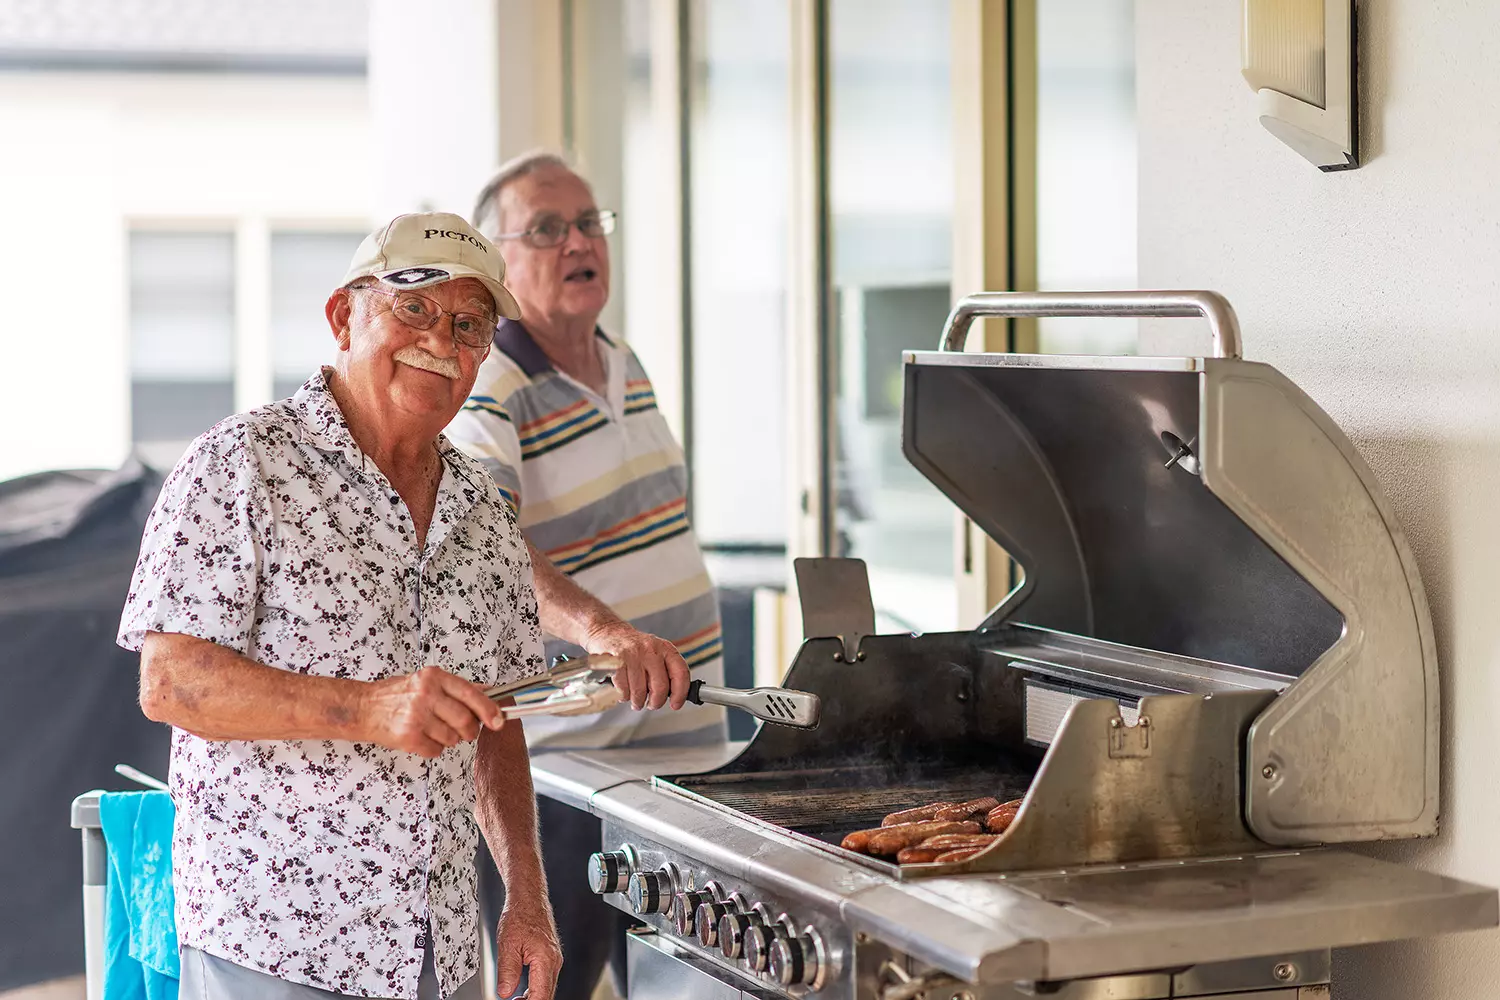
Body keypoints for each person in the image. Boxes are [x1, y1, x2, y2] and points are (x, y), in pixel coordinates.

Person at [118, 212, 563, 1000]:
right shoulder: (241, 464)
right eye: (414, 308)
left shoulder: (486, 512)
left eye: (469, 325)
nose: (442, 341)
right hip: (272, 945)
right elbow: (172, 683)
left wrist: (528, 899)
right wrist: (367, 710)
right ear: (343, 315)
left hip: (439, 951)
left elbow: (500, 725)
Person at [446, 152, 728, 999]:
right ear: (498, 261)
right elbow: (485, 547)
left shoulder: (621, 358)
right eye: (546, 228)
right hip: (570, 776)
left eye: (588, 222)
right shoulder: (490, 384)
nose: (578, 242)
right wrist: (607, 634)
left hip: (673, 757)